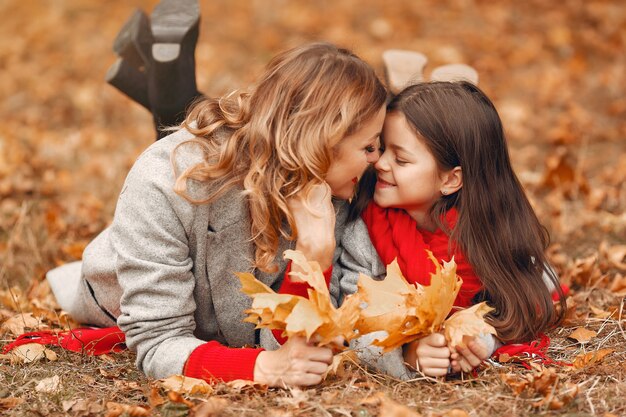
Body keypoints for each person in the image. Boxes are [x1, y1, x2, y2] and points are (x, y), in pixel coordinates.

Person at [46, 42, 387, 387]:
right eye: (370, 147)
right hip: (119, 294)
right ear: (321, 143)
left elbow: (280, 343)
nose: (379, 162)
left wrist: (313, 254)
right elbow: (158, 343)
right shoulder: (163, 181)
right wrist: (267, 368)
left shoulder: (334, 192)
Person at [265, 80, 565, 379]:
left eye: (401, 159)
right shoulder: (365, 233)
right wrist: (407, 353)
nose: (379, 162)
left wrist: (485, 335)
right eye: (382, 148)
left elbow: (536, 288)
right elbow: (355, 324)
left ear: (450, 180)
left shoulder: (492, 230)